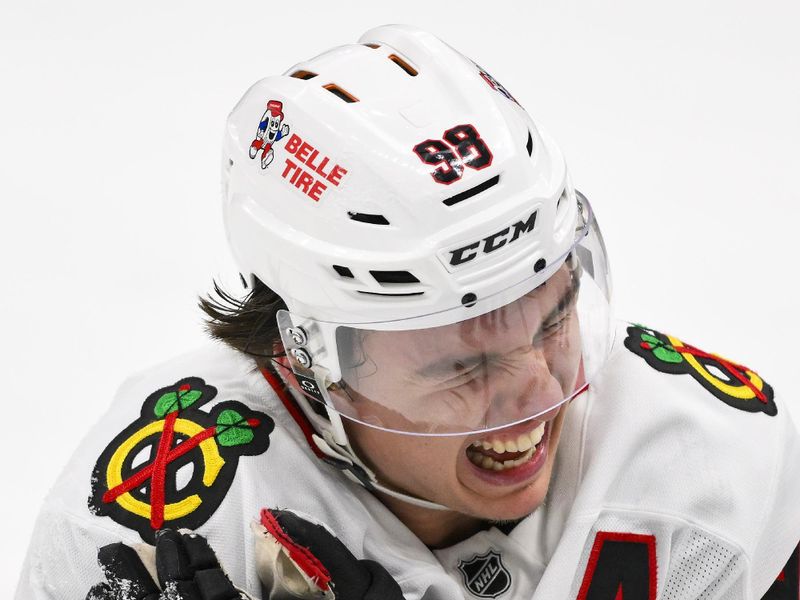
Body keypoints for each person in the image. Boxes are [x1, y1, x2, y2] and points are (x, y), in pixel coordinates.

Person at [15, 24, 800, 600]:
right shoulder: (162, 526)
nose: (536, 392)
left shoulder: (712, 456)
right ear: (310, 362)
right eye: (466, 363)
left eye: (555, 320)